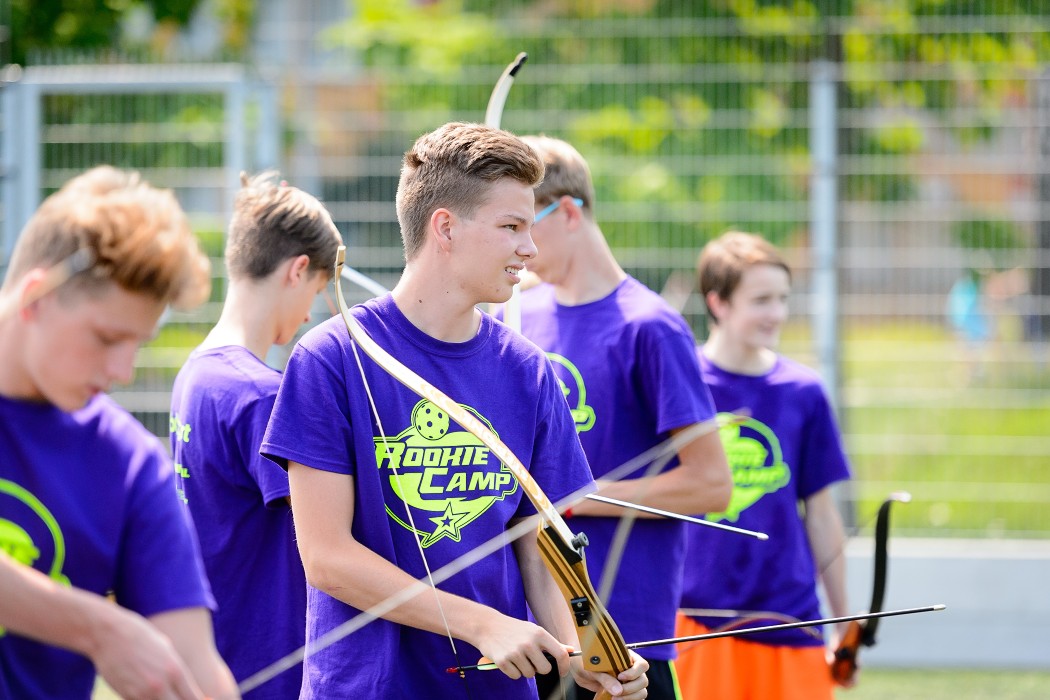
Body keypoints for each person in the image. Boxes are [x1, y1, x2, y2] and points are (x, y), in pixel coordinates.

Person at [260, 122, 649, 699]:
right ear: (445, 226)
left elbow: (541, 548)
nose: (530, 247)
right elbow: (327, 558)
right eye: (511, 226)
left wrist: (585, 653)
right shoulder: (332, 358)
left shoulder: (528, 371)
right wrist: (481, 623)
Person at [0, 166, 239, 699]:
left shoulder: (129, 463)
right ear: (36, 297)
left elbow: (193, 662)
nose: (123, 370)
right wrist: (98, 629)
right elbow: (106, 634)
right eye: (107, 338)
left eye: (137, 343)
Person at [509, 135, 732, 700]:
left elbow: (711, 483)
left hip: (625, 637)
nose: (520, 248)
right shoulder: (519, 315)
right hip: (539, 630)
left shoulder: (648, 327)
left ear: (564, 213)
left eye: (522, 225)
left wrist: (580, 495)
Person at [169, 172, 342, 697]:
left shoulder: (196, 373)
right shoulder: (260, 395)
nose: (312, 311)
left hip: (217, 648)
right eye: (316, 289)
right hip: (265, 663)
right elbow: (332, 531)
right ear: (297, 271)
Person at [675, 231, 852, 700]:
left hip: (789, 616)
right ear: (718, 303)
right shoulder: (681, 385)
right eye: (761, 300)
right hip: (697, 616)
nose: (776, 312)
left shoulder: (803, 391)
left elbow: (822, 512)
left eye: (782, 298)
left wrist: (843, 618)